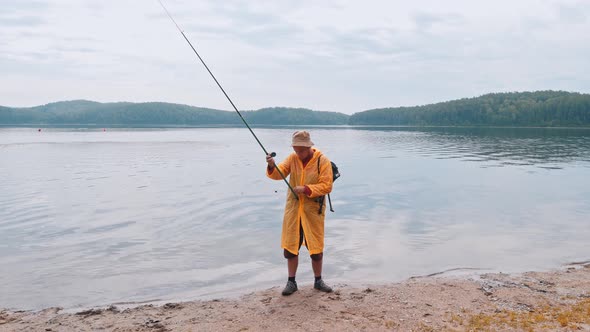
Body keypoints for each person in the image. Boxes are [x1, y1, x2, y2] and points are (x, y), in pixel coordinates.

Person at [266, 130, 334, 296]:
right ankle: (291, 282)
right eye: (296, 150)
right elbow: (278, 174)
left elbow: (327, 186)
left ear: (309, 146)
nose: (299, 153)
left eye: (301, 150)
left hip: (313, 212)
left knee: (316, 249)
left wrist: (306, 189)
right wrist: (271, 165)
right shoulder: (292, 158)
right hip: (294, 210)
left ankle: (318, 281)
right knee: (290, 248)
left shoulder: (322, 161)